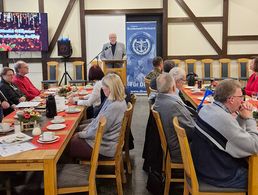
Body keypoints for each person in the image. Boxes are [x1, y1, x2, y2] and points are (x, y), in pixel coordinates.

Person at [191, 79, 258, 189]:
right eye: (241, 97)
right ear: (231, 99)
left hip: (205, 167)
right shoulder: (224, 119)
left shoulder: (207, 108)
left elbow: (232, 136)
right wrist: (250, 119)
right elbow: (255, 146)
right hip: (220, 175)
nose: (242, 101)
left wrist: (241, 117)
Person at [69, 73, 127, 160]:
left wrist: (81, 134)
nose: (102, 88)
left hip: (105, 147)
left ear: (111, 88)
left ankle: (75, 171)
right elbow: (98, 120)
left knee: (67, 144)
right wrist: (86, 130)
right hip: (105, 142)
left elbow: (98, 130)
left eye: (104, 87)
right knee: (73, 136)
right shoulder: (114, 100)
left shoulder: (114, 106)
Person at [154, 73, 194, 163]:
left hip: (171, 146)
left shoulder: (159, 100)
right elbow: (192, 131)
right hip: (180, 150)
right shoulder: (173, 105)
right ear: (173, 87)